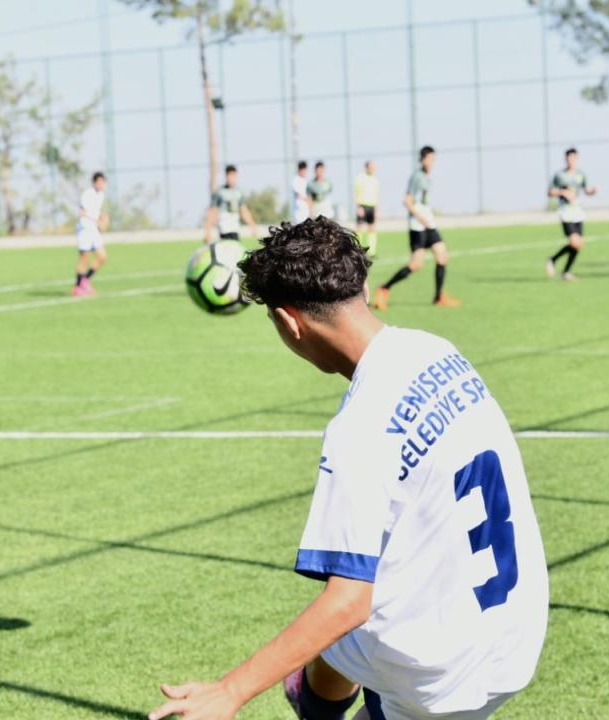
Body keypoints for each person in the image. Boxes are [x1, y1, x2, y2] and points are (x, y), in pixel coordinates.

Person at [148, 217, 549, 720]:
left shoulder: (358, 429)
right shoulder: (436, 350)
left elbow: (348, 603)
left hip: (439, 676)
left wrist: (229, 691)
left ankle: (317, 706)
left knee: (341, 622)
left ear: (289, 323)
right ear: (359, 283)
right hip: (516, 631)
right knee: (343, 639)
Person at [374, 146, 460, 309]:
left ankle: (438, 297)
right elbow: (407, 201)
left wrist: (428, 217)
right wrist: (421, 218)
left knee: (442, 256)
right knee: (416, 264)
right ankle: (384, 288)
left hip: (429, 224)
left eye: (434, 159)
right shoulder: (417, 177)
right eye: (430, 159)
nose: (432, 162)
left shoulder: (427, 177)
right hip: (418, 226)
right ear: (422, 159)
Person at [545, 148, 597, 281]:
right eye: (569, 158)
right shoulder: (560, 175)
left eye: (574, 158)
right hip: (565, 211)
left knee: (578, 244)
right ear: (566, 159)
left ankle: (565, 271)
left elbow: (586, 190)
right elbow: (550, 192)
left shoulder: (580, 174)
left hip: (577, 211)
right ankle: (553, 259)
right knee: (574, 242)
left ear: (577, 158)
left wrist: (592, 191)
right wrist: (563, 192)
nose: (571, 160)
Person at [73, 172, 109, 297]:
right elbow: (82, 213)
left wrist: (103, 219)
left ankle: (85, 280)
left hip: (93, 229)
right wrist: (97, 221)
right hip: (84, 229)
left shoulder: (101, 195)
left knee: (102, 257)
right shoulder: (87, 194)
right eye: (99, 182)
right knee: (84, 258)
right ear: (94, 182)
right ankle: (78, 287)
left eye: (103, 182)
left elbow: (97, 212)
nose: (101, 185)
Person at [205, 165, 257, 243]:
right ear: (226, 176)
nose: (232, 179)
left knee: (235, 249)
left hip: (235, 228)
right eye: (230, 176)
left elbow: (243, 210)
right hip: (224, 228)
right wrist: (207, 231)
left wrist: (252, 225)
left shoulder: (239, 192)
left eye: (234, 176)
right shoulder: (220, 192)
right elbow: (212, 211)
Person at [354, 161, 380, 257]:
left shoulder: (375, 179)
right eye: (371, 167)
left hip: (372, 206)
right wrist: (358, 207)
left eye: (374, 167)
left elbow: (377, 195)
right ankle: (358, 250)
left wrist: (377, 209)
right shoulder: (360, 178)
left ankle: (372, 252)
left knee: (372, 229)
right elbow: (356, 193)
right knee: (360, 228)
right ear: (366, 167)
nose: (373, 169)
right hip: (362, 206)